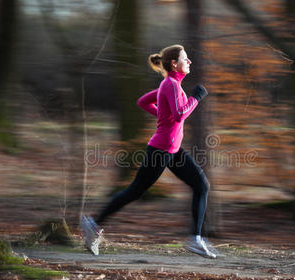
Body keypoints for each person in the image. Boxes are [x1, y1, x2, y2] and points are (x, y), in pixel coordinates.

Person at [80, 44, 217, 258]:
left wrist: (163, 116)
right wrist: (196, 99)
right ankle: (93, 224)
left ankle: (196, 239)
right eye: (185, 58)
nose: (189, 62)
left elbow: (143, 102)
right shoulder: (170, 84)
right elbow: (180, 114)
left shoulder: (171, 85)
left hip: (172, 151)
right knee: (136, 191)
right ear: (174, 63)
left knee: (201, 185)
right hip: (161, 150)